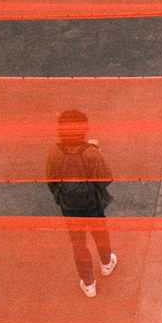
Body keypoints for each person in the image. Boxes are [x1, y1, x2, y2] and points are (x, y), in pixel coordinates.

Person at [45, 110, 117, 298]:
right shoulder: (91, 153)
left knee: (78, 244)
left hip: (69, 206)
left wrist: (60, 196)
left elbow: (51, 181)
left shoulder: (54, 153)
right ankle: (106, 263)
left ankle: (88, 282)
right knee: (100, 233)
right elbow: (106, 178)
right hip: (93, 203)